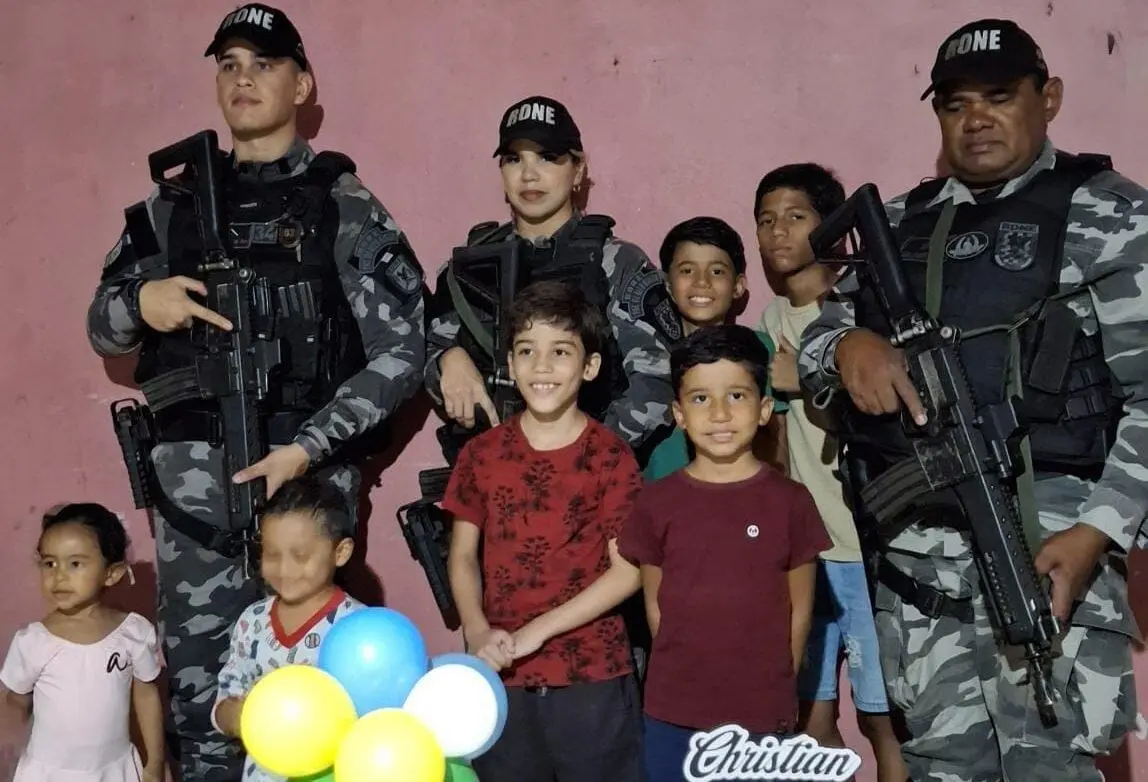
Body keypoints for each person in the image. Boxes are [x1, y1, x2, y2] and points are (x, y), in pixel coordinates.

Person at [798, 18, 1147, 781]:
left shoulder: (1111, 217)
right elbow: (817, 341)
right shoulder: (900, 223)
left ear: (1048, 99)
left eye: (999, 96)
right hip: (923, 586)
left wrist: (1098, 532)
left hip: (1050, 562)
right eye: (956, 104)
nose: (976, 119)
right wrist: (848, 346)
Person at [85, 5, 425, 779]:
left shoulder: (340, 202)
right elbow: (101, 325)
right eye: (229, 64)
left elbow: (406, 348)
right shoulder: (169, 209)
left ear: (301, 85)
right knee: (204, 708)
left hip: (301, 496)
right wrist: (141, 302)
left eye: (264, 64)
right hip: (193, 508)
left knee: (320, 703)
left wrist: (308, 447)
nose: (243, 78)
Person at [443, 281, 645, 781]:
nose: (542, 366)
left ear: (589, 367)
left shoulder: (611, 456)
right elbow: (462, 556)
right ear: (510, 366)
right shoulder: (481, 454)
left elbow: (628, 572)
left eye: (560, 352)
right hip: (501, 673)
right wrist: (476, 629)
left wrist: (538, 631)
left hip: (591, 678)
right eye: (527, 351)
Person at [619, 325, 829, 781]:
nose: (719, 413)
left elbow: (799, 613)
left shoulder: (791, 502)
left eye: (736, 396)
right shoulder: (655, 502)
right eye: (700, 399)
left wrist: (776, 695)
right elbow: (656, 607)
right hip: (674, 713)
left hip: (761, 717)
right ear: (679, 413)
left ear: (764, 409)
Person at [755, 163, 907, 782]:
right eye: (766, 220)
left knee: (883, 719)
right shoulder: (769, 322)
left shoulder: (863, 309)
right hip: (805, 553)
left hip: (864, 548)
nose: (778, 232)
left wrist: (807, 380)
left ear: (834, 228)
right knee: (811, 716)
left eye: (796, 217)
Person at [424, 95, 678, 464]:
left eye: (547, 157)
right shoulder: (469, 263)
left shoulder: (613, 262)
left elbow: (656, 382)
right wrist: (448, 360)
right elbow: (428, 351)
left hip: (590, 478)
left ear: (578, 170)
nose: (529, 174)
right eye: (514, 159)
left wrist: (575, 457)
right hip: (489, 477)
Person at [212, 476, 364, 781]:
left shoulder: (358, 628)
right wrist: (235, 716)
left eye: (301, 556)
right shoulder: (252, 620)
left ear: (341, 552)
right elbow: (226, 696)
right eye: (271, 554)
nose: (284, 570)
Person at [0, 504, 165, 782]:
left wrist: (156, 762)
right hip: (50, 774)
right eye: (49, 563)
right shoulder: (33, 641)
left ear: (112, 573)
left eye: (75, 564)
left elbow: (147, 696)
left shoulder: (133, 633)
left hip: (114, 771)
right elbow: (14, 702)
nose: (59, 576)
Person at [643, 216, 787, 481]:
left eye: (717, 271)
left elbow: (775, 438)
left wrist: (777, 493)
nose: (702, 281)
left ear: (738, 286)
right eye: (687, 270)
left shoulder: (755, 347)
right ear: (669, 286)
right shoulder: (649, 354)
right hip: (665, 488)